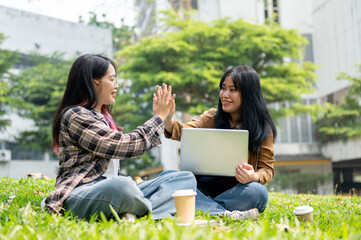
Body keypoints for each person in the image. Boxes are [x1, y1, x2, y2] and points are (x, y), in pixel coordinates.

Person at [44, 54, 196, 220]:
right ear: (94, 81)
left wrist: (165, 118)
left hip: (112, 189)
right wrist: (158, 118)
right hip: (81, 193)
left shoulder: (104, 117)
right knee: (122, 187)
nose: (116, 86)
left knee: (184, 179)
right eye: (112, 79)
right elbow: (123, 146)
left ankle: (131, 212)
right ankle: (144, 212)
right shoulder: (75, 115)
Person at [162, 65, 277, 219]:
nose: (225, 95)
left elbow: (267, 169)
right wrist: (168, 120)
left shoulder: (262, 128)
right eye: (223, 88)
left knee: (258, 193)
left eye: (233, 90)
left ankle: (198, 208)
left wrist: (253, 177)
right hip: (201, 187)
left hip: (235, 191)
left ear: (248, 94)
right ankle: (223, 213)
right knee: (168, 177)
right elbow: (185, 131)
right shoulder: (211, 117)